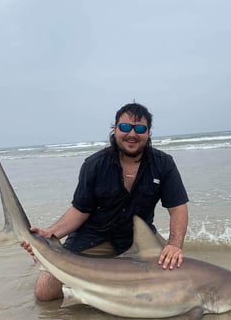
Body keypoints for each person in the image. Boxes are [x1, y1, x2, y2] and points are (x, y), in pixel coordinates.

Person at [21, 102, 189, 301]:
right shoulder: (94, 164)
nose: (132, 134)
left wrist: (174, 245)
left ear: (149, 133)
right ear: (115, 129)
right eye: (125, 127)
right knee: (44, 292)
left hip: (138, 240)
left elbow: (178, 208)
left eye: (140, 128)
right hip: (93, 236)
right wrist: (50, 233)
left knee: (183, 280)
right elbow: (79, 211)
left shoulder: (163, 164)